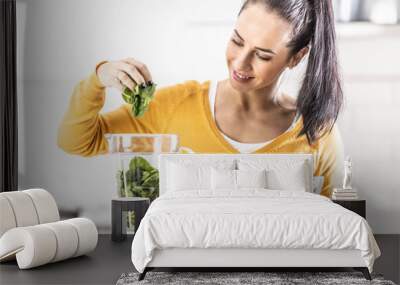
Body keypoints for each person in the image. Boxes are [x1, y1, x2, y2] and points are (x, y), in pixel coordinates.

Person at [58, 0, 344, 198]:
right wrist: (97, 79)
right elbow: (77, 141)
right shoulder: (177, 106)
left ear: (296, 57)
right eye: (237, 40)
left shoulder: (318, 132)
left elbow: (335, 225)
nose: (240, 63)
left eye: (262, 54)